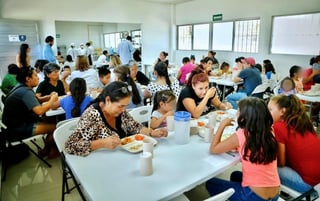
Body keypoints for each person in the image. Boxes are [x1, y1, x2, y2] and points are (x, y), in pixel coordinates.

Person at [64, 81, 168, 156]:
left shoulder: (120, 112)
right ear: (108, 100)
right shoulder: (92, 115)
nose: (124, 110)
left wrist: (152, 133)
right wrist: (102, 143)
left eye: (125, 106)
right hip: (101, 163)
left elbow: (135, 126)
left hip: (122, 158)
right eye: (120, 106)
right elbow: (70, 145)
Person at [206, 97, 280, 201]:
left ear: (245, 117)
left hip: (254, 196)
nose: (237, 113)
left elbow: (213, 149)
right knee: (235, 175)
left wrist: (222, 125)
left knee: (210, 183)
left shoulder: (242, 134)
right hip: (275, 194)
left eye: (239, 111)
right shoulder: (269, 131)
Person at [2, 66, 59, 158]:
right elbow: (39, 111)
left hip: (13, 126)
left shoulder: (21, 87)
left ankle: (47, 150)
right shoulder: (25, 91)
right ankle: (50, 151)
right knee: (56, 127)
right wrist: (52, 100)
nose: (38, 78)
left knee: (50, 120)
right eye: (35, 76)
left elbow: (37, 99)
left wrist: (49, 97)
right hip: (18, 129)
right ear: (28, 79)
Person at [268, 95, 320, 193]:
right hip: (317, 181)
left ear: (282, 111)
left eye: (270, 110)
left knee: (267, 167)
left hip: (310, 186)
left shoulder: (278, 126)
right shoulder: (303, 123)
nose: (267, 113)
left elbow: (282, 163)